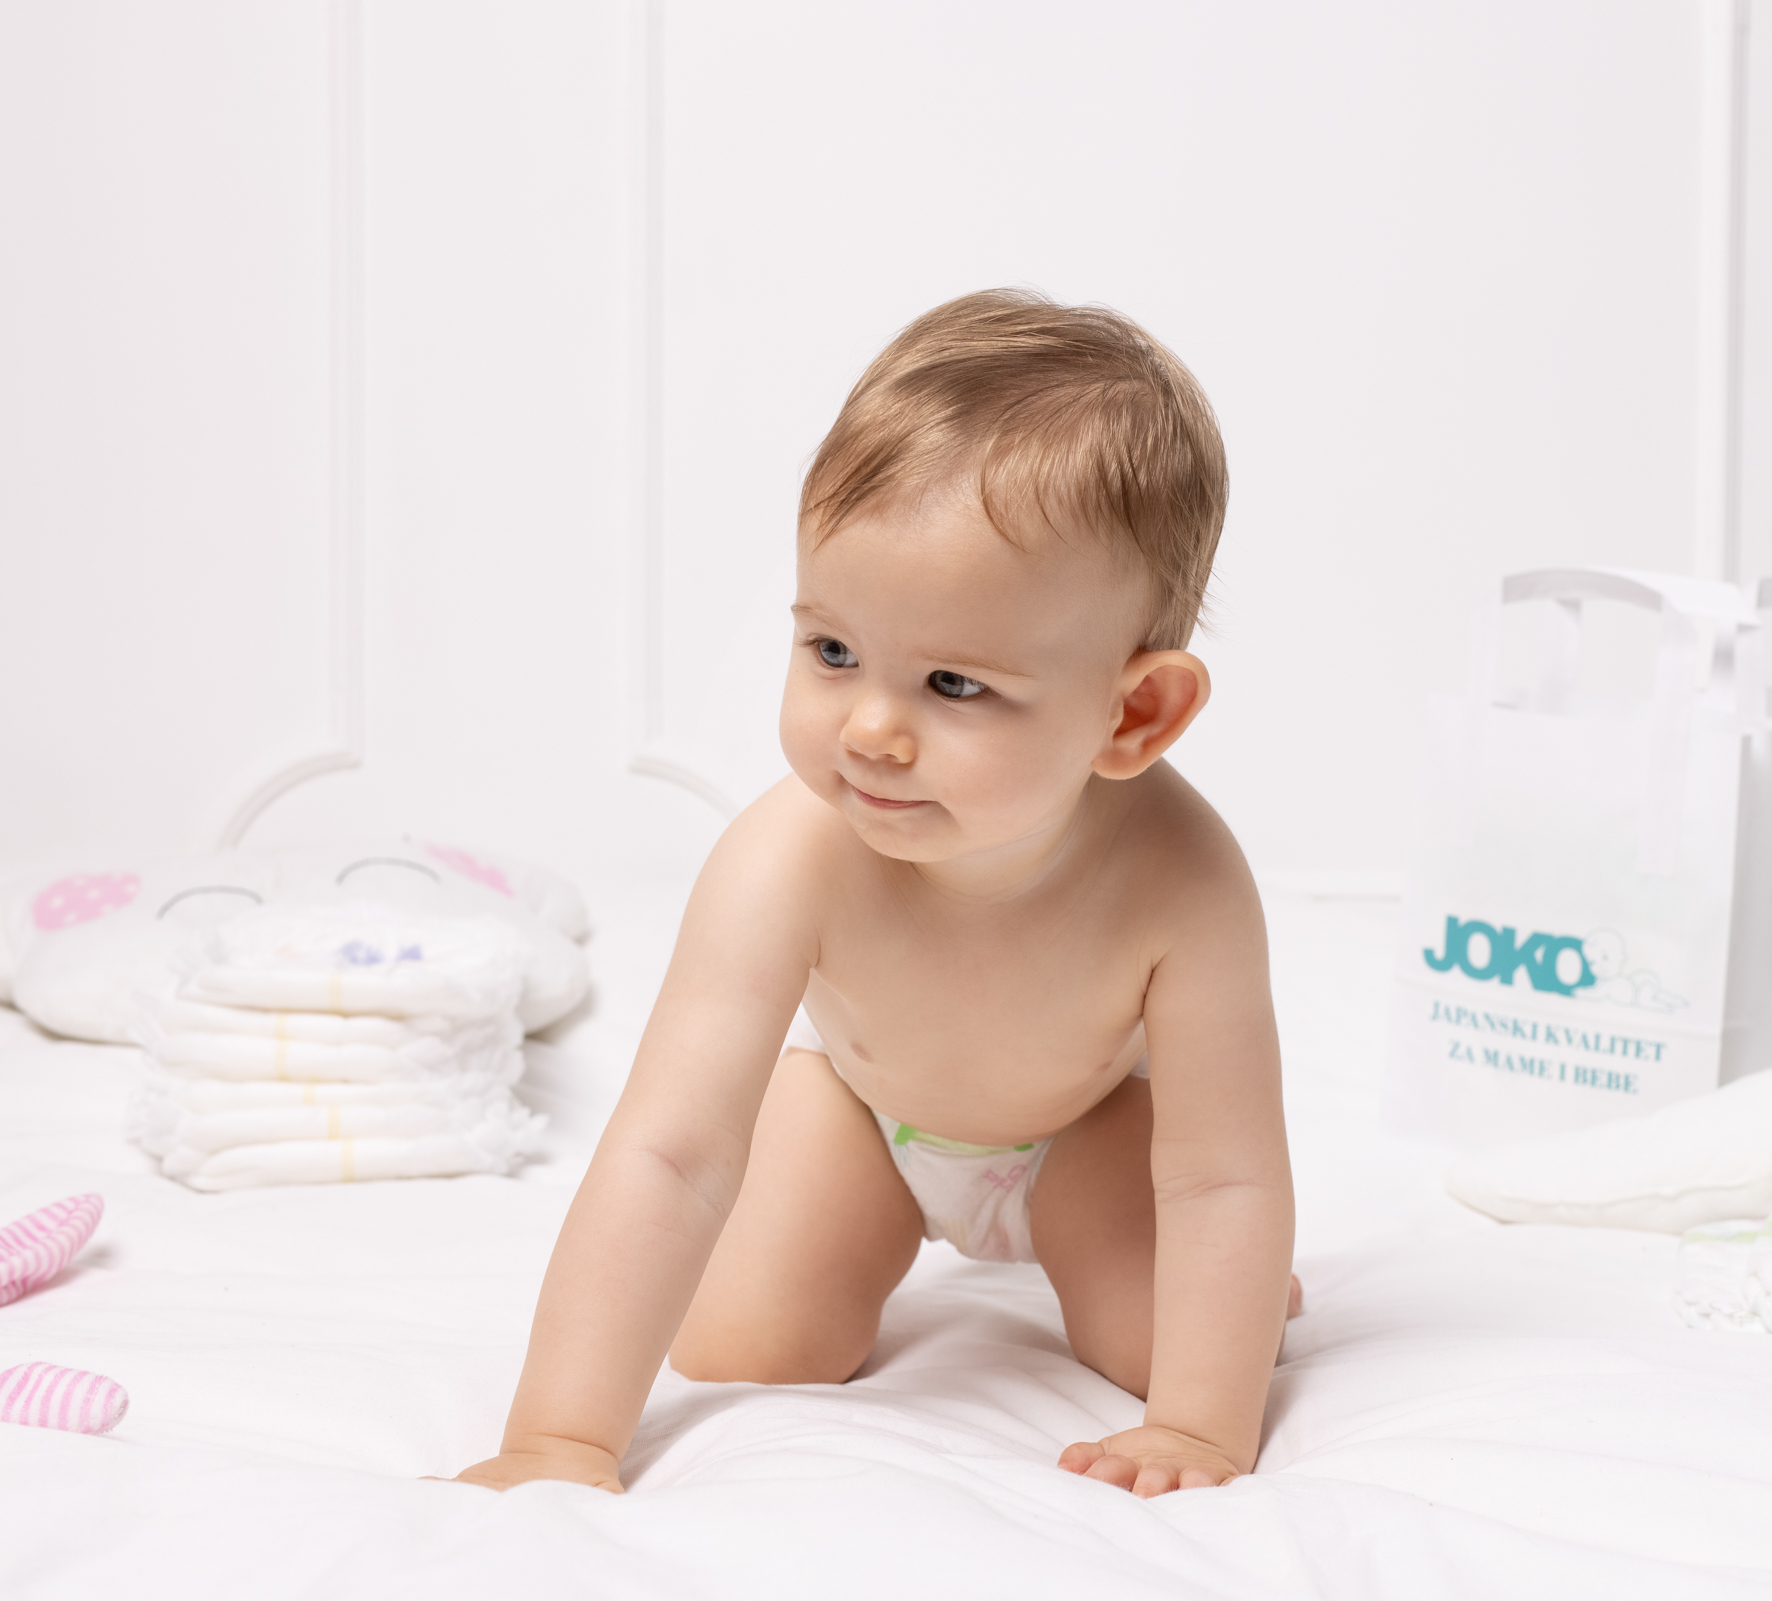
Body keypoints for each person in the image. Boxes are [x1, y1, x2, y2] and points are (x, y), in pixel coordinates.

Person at [452, 289, 1296, 1500]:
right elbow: (668, 1153)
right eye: (833, 651)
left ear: (1134, 712)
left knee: (1190, 1346)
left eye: (953, 683)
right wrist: (560, 1437)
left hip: (1088, 1131)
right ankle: (845, 1210)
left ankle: (1184, 1279)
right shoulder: (787, 856)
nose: (869, 731)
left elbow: (1223, 1174)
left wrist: (1201, 1427)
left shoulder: (1187, 882)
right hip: (864, 1115)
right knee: (749, 1343)